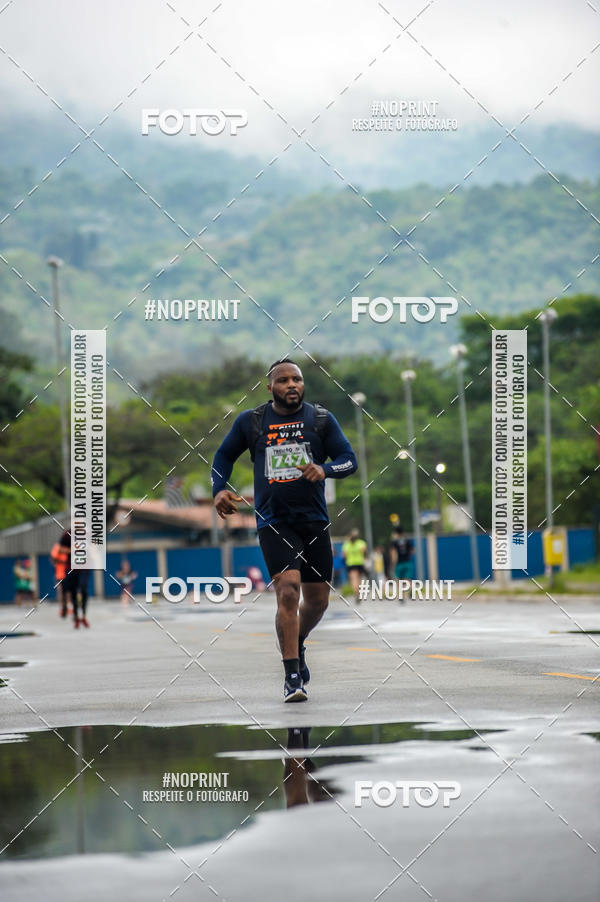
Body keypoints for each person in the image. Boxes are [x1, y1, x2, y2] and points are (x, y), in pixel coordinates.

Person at [211, 358, 357, 703]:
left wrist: (325, 470)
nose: (291, 385)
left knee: (318, 600)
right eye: (283, 380)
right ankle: (292, 675)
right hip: (274, 520)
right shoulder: (253, 422)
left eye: (297, 379)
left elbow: (349, 459)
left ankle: (298, 641)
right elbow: (223, 455)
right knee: (288, 591)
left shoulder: (320, 420)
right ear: (270, 388)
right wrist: (219, 488)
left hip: (314, 520)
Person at [342, 528, 368, 603]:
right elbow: (365, 552)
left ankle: (357, 593)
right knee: (359, 580)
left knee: (354, 580)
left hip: (351, 564)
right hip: (360, 563)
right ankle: (359, 593)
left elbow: (344, 555)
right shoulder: (361, 543)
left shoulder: (347, 544)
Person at [391, 525, 414, 601]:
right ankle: (411, 589)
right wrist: (407, 555)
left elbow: (394, 553)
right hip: (407, 562)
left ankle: (401, 596)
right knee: (407, 578)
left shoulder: (394, 542)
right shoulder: (407, 540)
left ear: (396, 533)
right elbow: (412, 551)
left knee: (398, 580)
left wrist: (393, 563)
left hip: (399, 563)